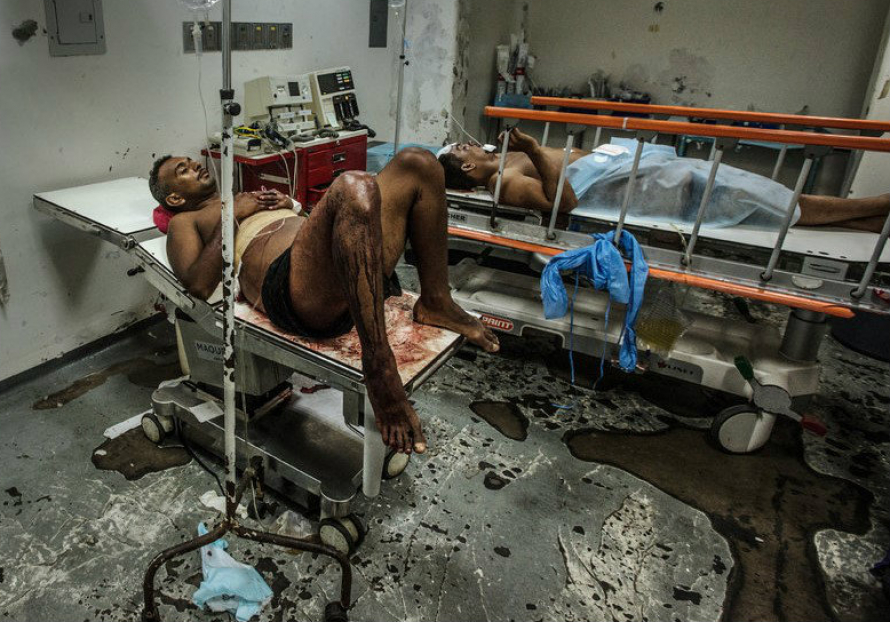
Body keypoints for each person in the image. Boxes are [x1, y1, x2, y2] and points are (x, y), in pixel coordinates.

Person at [148, 148, 500, 454]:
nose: (195, 166)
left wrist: (291, 206)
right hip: (289, 287)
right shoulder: (187, 221)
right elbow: (196, 284)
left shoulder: (243, 197)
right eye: (183, 170)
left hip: (338, 262)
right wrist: (232, 215)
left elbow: (334, 218)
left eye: (191, 162)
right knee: (352, 184)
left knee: (418, 162)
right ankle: (378, 365)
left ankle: (436, 299)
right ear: (175, 199)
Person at [439, 128, 890, 232]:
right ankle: (879, 204)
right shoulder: (505, 185)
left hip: (636, 170)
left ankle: (868, 222)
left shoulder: (506, 159)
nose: (468, 143)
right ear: (467, 170)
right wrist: (537, 149)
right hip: (643, 189)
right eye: (461, 150)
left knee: (761, 197)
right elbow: (566, 203)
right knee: (769, 199)